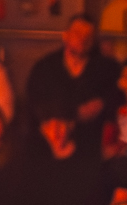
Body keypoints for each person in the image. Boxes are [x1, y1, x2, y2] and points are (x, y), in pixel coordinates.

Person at [23, 15, 121, 150]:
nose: (83, 39)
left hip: (93, 146)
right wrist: (75, 113)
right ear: (66, 36)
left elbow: (117, 100)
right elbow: (35, 106)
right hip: (51, 145)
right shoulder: (45, 68)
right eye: (78, 33)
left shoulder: (108, 69)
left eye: (88, 35)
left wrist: (103, 105)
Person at [10, 102, 102, 205]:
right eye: (49, 127)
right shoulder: (39, 168)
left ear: (70, 124)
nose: (54, 134)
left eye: (59, 125)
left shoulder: (87, 160)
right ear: (42, 130)